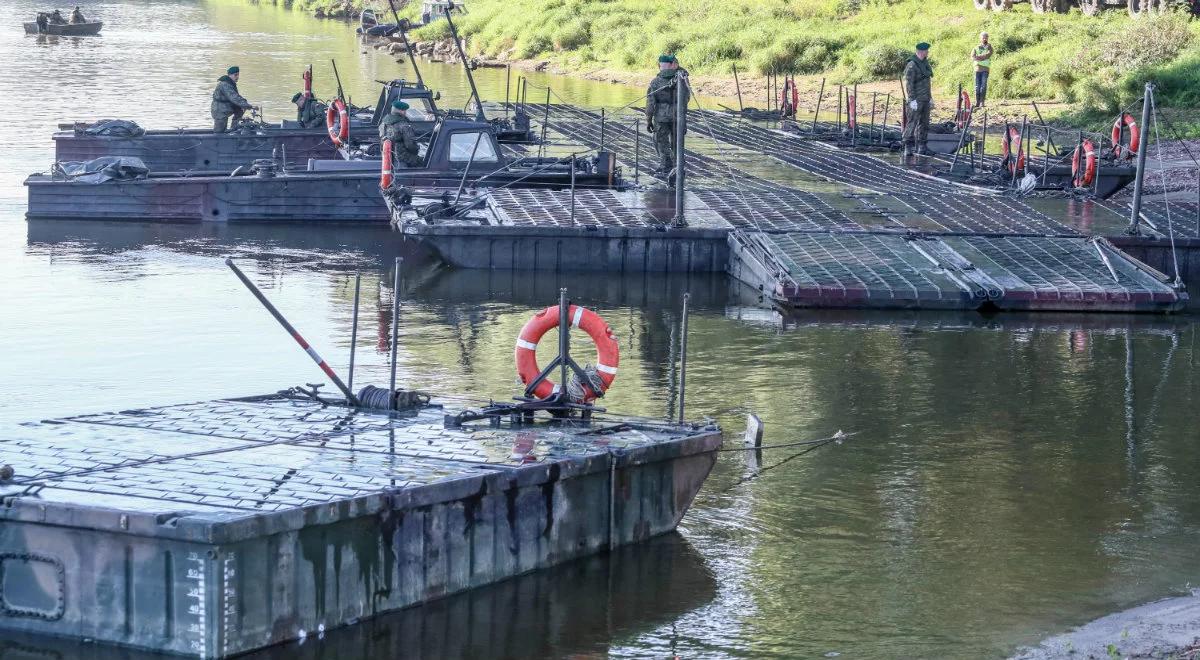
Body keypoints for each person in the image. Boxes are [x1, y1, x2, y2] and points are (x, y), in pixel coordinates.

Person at [645, 54, 690, 176]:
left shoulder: (655, 82)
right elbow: (686, 98)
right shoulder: (683, 79)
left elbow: (650, 103)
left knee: (661, 142)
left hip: (661, 117)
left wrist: (648, 120)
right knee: (677, 142)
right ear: (674, 64)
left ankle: (665, 166)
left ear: (660, 65)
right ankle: (679, 167)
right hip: (678, 115)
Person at [902, 42, 933, 154]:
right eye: (926, 51)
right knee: (912, 123)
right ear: (921, 52)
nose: (928, 52)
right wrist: (912, 99)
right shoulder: (912, 65)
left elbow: (927, 83)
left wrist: (930, 97)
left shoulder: (924, 63)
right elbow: (909, 84)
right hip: (916, 99)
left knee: (924, 123)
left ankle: (922, 146)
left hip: (925, 98)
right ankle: (908, 147)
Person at [378, 100, 423, 167]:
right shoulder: (404, 125)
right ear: (402, 111)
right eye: (405, 110)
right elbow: (410, 145)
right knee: (422, 162)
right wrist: (417, 149)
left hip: (387, 154)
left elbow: (382, 137)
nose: (405, 112)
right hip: (401, 156)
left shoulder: (383, 122)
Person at [211, 66, 253, 133]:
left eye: (238, 74)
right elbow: (234, 97)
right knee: (219, 130)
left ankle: (233, 129)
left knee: (240, 109)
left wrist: (245, 104)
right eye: (235, 75)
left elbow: (236, 96)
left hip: (226, 107)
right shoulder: (224, 84)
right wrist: (249, 106)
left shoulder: (230, 83)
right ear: (229, 75)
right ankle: (218, 140)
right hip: (219, 109)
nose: (237, 77)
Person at [972, 32, 993, 108]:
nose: (984, 39)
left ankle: (982, 102)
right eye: (983, 37)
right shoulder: (976, 47)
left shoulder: (989, 46)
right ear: (980, 38)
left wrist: (979, 57)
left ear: (987, 38)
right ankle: (977, 102)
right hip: (977, 69)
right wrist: (981, 57)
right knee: (977, 86)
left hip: (985, 69)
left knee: (983, 86)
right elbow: (973, 57)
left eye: (986, 37)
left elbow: (988, 54)